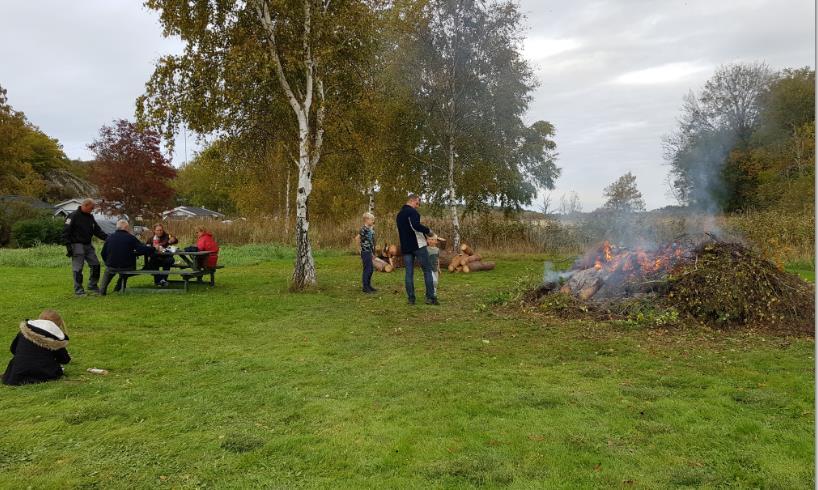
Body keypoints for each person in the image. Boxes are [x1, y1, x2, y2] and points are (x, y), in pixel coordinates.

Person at [2, 309, 71, 386]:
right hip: (43, 373)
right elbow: (65, 359)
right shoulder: (54, 337)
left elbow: (13, 349)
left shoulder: (25, 331)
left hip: (16, 375)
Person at [396, 194, 438, 305]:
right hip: (418, 245)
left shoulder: (399, 215)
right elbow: (416, 226)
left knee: (409, 273)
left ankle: (411, 299)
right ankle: (430, 298)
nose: (418, 205)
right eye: (418, 203)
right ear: (412, 200)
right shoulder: (412, 212)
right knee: (427, 270)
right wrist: (429, 231)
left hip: (405, 247)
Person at [62, 198, 108, 295]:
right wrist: (68, 246)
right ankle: (79, 290)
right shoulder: (73, 216)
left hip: (88, 245)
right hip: (76, 245)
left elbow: (97, 231)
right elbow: (65, 232)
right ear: (85, 205)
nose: (92, 210)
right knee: (78, 268)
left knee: (96, 265)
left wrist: (109, 239)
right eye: (91, 208)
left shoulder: (90, 217)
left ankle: (92, 285)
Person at [99, 220, 155, 296]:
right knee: (125, 271)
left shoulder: (109, 237)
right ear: (126, 227)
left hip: (111, 265)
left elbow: (103, 253)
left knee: (108, 272)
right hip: (126, 266)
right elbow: (141, 249)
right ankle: (119, 287)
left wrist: (107, 262)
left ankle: (102, 290)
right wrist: (154, 248)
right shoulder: (131, 238)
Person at [145, 223, 178, 287]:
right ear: (154, 231)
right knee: (152, 262)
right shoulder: (151, 238)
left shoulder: (167, 236)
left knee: (169, 261)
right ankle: (161, 281)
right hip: (155, 257)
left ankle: (161, 281)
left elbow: (175, 240)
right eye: (158, 230)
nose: (160, 232)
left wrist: (173, 239)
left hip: (166, 257)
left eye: (161, 230)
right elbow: (147, 247)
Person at [359, 212, 377, 293]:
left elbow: (371, 241)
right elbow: (359, 239)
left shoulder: (369, 229)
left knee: (371, 269)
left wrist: (372, 253)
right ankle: (365, 287)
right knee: (367, 269)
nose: (373, 221)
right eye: (371, 220)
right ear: (366, 220)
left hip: (369, 252)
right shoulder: (363, 229)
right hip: (365, 252)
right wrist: (359, 250)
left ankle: (369, 285)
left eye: (373, 220)